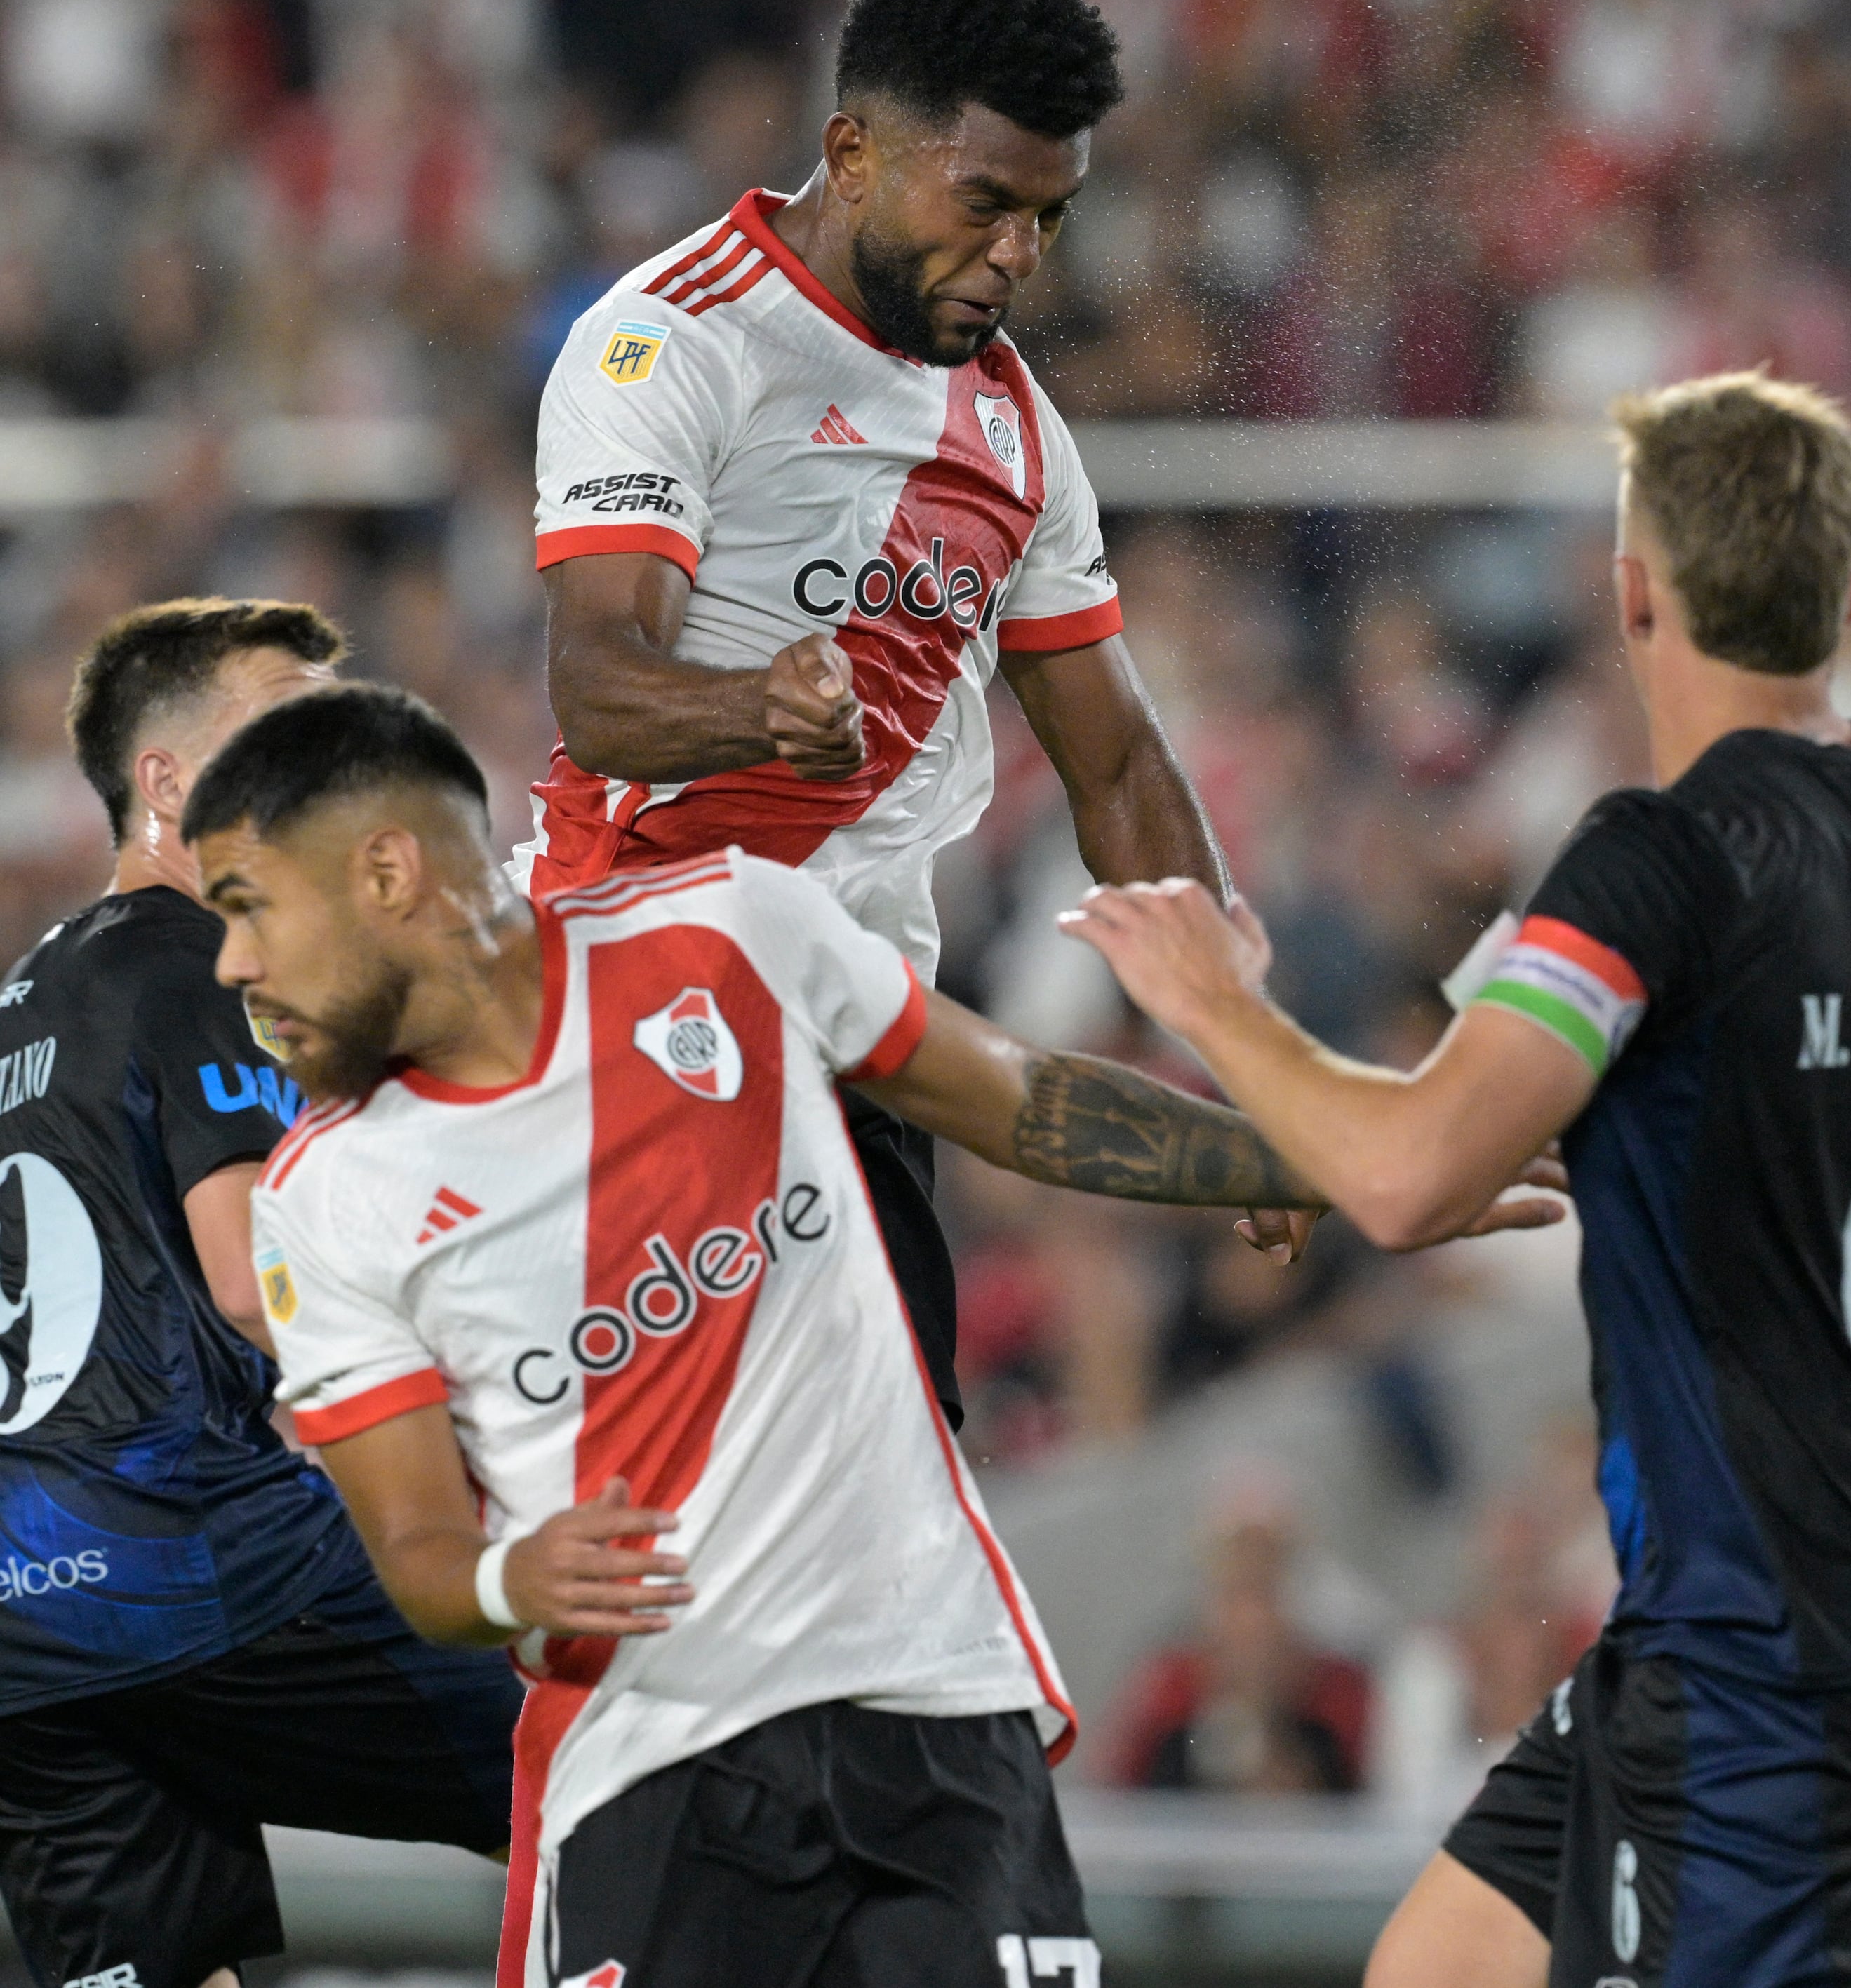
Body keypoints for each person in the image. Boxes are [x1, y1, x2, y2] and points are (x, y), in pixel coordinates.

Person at [197, 683, 1556, 1988]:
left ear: (387, 873)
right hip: (653, 1768)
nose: (232, 962)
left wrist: (1318, 1151)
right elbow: (421, 1549)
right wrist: (512, 1577)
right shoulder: (328, 1197)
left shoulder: (729, 932)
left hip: (930, 1703)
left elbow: (1018, 1099)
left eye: (250, 906)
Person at [1060, 371, 1851, 1988]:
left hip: (1771, 1636)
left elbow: (1409, 1180)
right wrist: (1710, 1105)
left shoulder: (1660, 856)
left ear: (1628, 595)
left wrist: (1213, 1005)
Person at [518, 0, 1227, 1425]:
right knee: (654, 1537)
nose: (1019, 256)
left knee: (894, 1522)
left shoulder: (1020, 433)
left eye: (1051, 215)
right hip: (648, 1014)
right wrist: (751, 709)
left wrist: (1246, 1055)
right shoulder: (673, 341)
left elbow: (1117, 768)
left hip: (869, 1059)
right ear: (852, 152)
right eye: (985, 204)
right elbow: (597, 684)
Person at [0, 603, 524, 1988]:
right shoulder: (197, 960)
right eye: (278, 722)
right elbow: (253, 1279)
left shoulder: (28, 1000)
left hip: (20, 1613)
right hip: (189, 1548)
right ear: (166, 781)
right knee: (612, 1754)